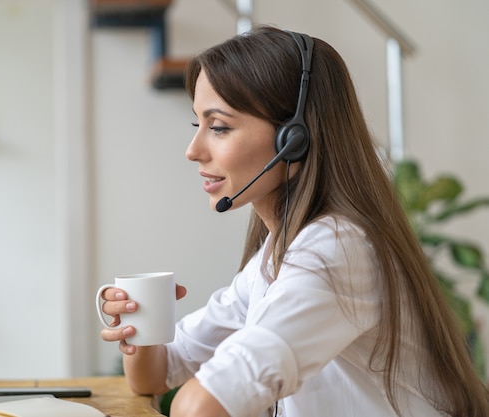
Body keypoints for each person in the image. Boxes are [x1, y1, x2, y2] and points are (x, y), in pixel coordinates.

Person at [98, 25, 489, 417]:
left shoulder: (336, 250)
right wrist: (140, 325)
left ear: (293, 139)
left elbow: (198, 406)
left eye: (218, 127)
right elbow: (155, 375)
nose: (192, 150)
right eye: (197, 125)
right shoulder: (275, 256)